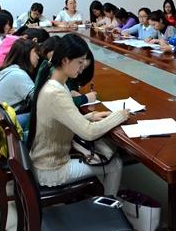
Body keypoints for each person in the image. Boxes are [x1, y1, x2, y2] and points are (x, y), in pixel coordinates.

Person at [27, 34, 129, 195]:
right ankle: (110, 205)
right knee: (115, 163)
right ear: (65, 60)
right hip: (52, 170)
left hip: (43, 161)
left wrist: (90, 117)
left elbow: (60, 120)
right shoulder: (56, 93)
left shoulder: (54, 82)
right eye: (80, 62)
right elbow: (89, 132)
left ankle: (101, 194)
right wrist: (120, 115)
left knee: (100, 157)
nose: (82, 68)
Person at [0, 39, 40, 130]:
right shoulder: (18, 75)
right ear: (26, 54)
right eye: (36, 53)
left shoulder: (11, 70)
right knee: (42, 117)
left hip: (1, 118)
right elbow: (38, 99)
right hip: (7, 124)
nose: (38, 57)